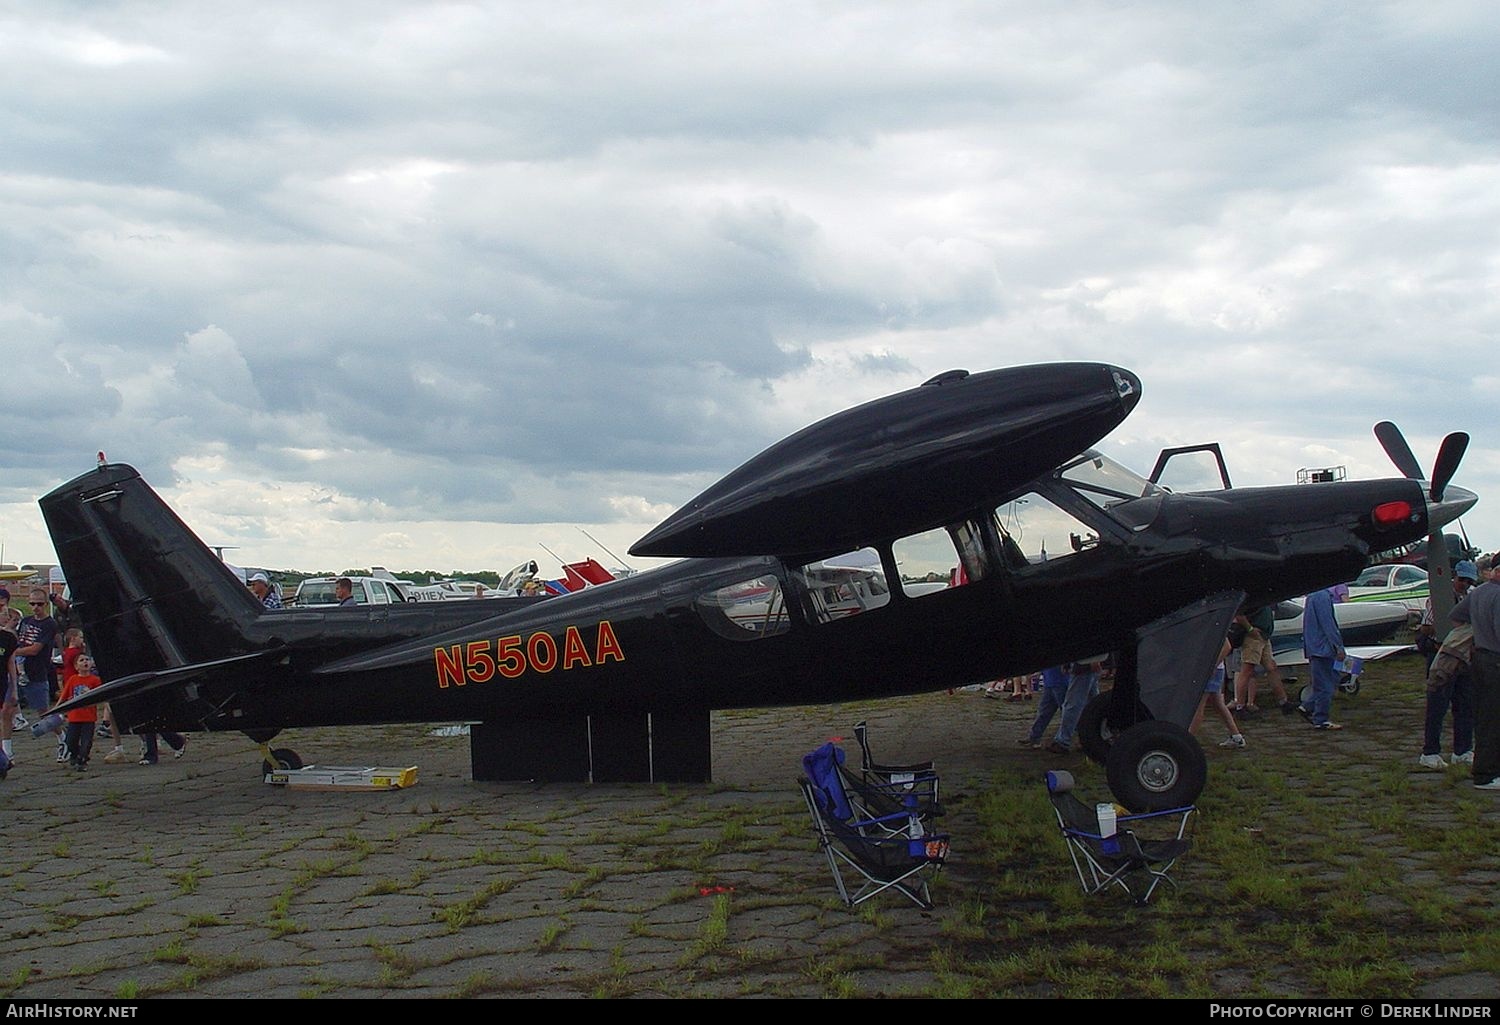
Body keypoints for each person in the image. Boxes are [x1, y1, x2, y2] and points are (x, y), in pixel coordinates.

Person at [1451, 552, 1500, 790]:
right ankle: (1486, 774)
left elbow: (1456, 615)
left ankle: (1488, 768)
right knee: (1493, 718)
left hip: (1479, 657)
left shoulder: (1478, 592)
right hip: (1495, 661)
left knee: (1484, 716)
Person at [1230, 605, 1297, 715]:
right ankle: (1240, 707)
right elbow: (1239, 614)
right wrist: (1251, 629)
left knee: (1271, 668)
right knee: (1247, 671)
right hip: (1254, 637)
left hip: (1264, 636)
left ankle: (1284, 702)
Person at [1299, 584, 1346, 731]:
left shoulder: (1312, 595)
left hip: (1314, 646)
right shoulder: (1322, 597)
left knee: (1323, 682)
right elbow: (1328, 624)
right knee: (1326, 685)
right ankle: (1321, 719)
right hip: (1323, 648)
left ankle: (1307, 706)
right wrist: (1338, 646)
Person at [1191, 638, 1245, 748]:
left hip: (1210, 670)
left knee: (1198, 705)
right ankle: (1237, 737)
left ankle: (1187, 739)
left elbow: (1227, 646)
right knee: (1218, 704)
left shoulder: (1212, 623)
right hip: (1211, 669)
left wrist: (1212, 666)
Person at [57, 653, 100, 771]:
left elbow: (99, 696)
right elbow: (64, 696)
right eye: (81, 660)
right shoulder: (73, 679)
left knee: (87, 741)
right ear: (76, 666)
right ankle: (75, 755)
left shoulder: (95, 680)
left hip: (89, 717)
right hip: (74, 717)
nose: (85, 662)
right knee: (70, 740)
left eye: (87, 659)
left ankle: (83, 759)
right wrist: (57, 709)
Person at [0, 608, 20, 763]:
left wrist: (14, 689)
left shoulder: (8, 638)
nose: (6, 618)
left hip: (2, 682)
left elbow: (11, 663)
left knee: (6, 715)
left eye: (7, 615)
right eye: (3, 614)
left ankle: (6, 752)